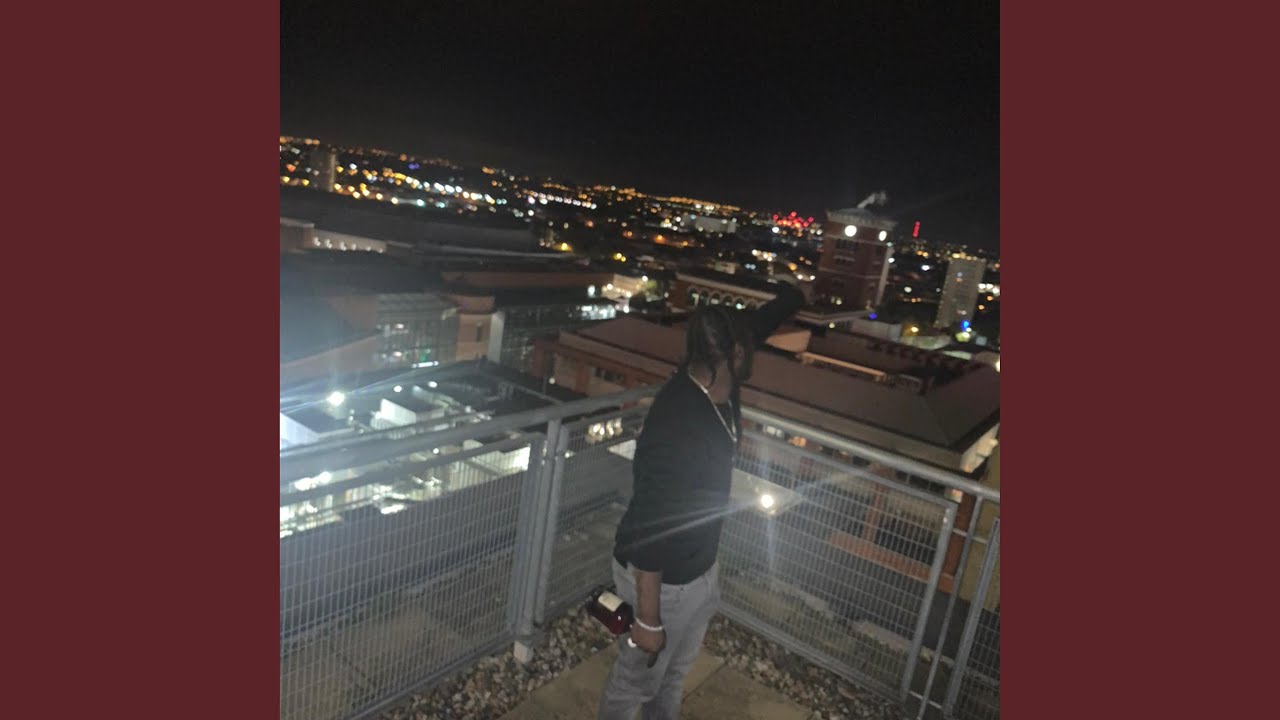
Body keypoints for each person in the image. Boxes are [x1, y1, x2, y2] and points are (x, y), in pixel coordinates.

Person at [598, 282, 805, 720]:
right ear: (735, 354)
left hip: (700, 568)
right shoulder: (677, 421)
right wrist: (648, 619)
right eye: (746, 346)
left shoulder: (719, 380)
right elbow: (652, 524)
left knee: (674, 675)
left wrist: (794, 297)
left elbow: (760, 323)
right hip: (663, 582)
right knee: (637, 681)